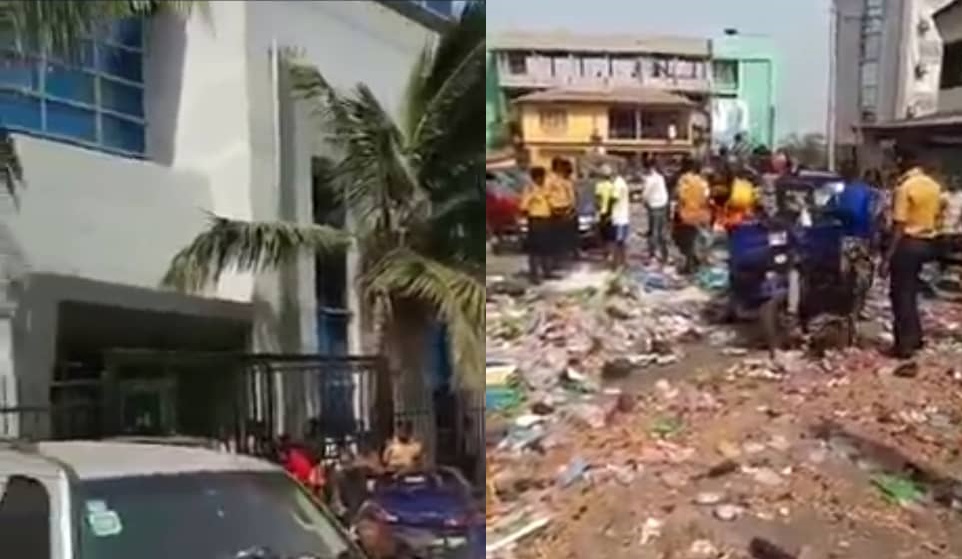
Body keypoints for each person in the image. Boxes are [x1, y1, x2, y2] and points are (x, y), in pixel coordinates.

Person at [880, 147, 942, 364]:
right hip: (927, 243)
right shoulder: (933, 186)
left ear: (903, 162)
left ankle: (903, 345)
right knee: (912, 292)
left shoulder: (904, 187)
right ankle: (915, 338)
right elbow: (939, 216)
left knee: (901, 295)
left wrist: (887, 257)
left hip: (907, 243)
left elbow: (899, 225)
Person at [673, 157, 711, 274]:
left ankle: (689, 266)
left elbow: (680, 196)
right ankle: (699, 264)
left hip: (686, 215)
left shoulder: (683, 180)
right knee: (699, 241)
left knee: (686, 242)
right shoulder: (702, 181)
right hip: (701, 214)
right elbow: (706, 196)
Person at [519, 166, 552, 283]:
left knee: (547, 247)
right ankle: (534, 275)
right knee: (535, 249)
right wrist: (532, 197)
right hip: (535, 220)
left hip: (547, 220)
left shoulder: (546, 189)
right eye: (541, 177)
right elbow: (523, 206)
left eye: (544, 177)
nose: (543, 179)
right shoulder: (529, 189)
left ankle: (547, 271)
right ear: (535, 178)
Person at [546, 158, 576, 268]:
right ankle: (554, 262)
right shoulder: (551, 179)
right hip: (556, 211)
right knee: (555, 238)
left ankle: (561, 259)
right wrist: (552, 208)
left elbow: (571, 195)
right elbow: (547, 195)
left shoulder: (566, 179)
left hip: (566, 210)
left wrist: (571, 208)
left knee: (564, 237)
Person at [641, 160, 670, 263]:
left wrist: (643, 202)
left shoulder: (650, 180)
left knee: (653, 232)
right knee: (662, 231)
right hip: (663, 205)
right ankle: (665, 254)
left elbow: (645, 194)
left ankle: (652, 255)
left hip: (654, 207)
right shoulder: (660, 178)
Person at [609, 165, 631, 269]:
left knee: (617, 242)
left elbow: (615, 198)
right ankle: (624, 262)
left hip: (618, 217)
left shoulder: (617, 184)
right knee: (622, 242)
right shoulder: (623, 182)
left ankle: (616, 263)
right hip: (624, 216)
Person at [594, 165, 616, 261]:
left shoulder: (599, 186)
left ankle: (605, 253)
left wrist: (598, 210)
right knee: (611, 235)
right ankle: (610, 253)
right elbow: (613, 200)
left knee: (603, 235)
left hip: (602, 213)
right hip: (610, 213)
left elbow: (597, 200)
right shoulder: (612, 186)